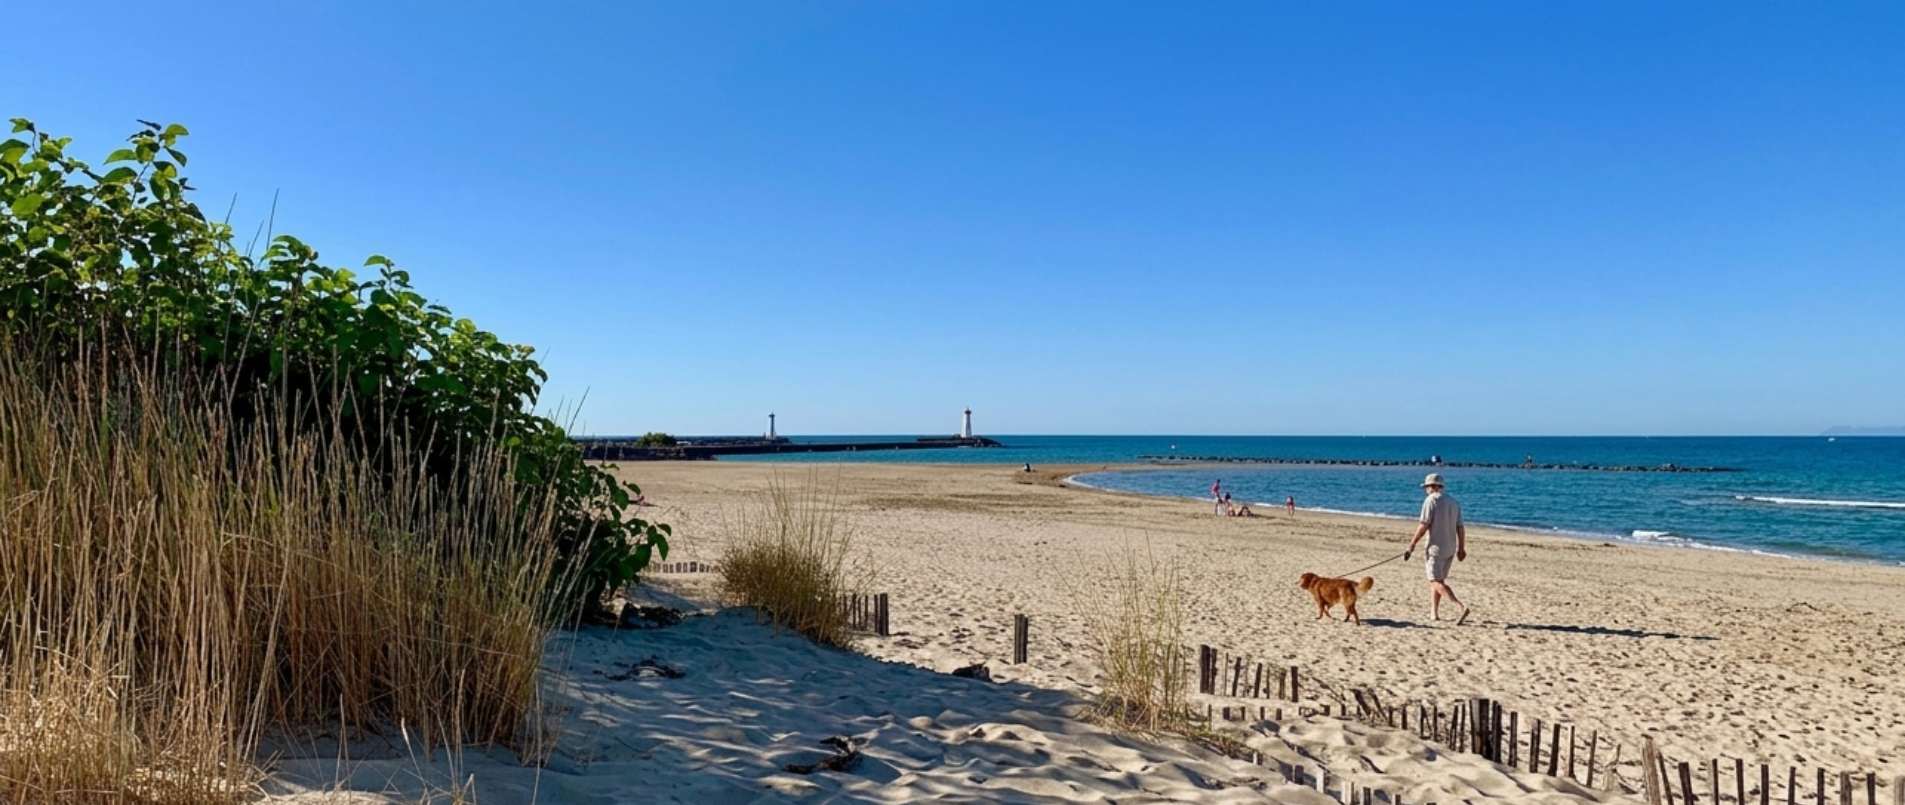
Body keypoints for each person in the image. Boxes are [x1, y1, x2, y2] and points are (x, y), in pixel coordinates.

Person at [1402, 473, 1469, 624]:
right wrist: (1461, 548)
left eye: (1426, 487)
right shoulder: (1454, 502)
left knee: (1434, 581)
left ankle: (1460, 606)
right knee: (1439, 580)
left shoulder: (1430, 500)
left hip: (1435, 548)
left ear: (1431, 487)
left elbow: (1424, 525)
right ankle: (1434, 613)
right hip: (1450, 547)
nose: (1426, 490)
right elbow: (1460, 527)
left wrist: (1411, 544)